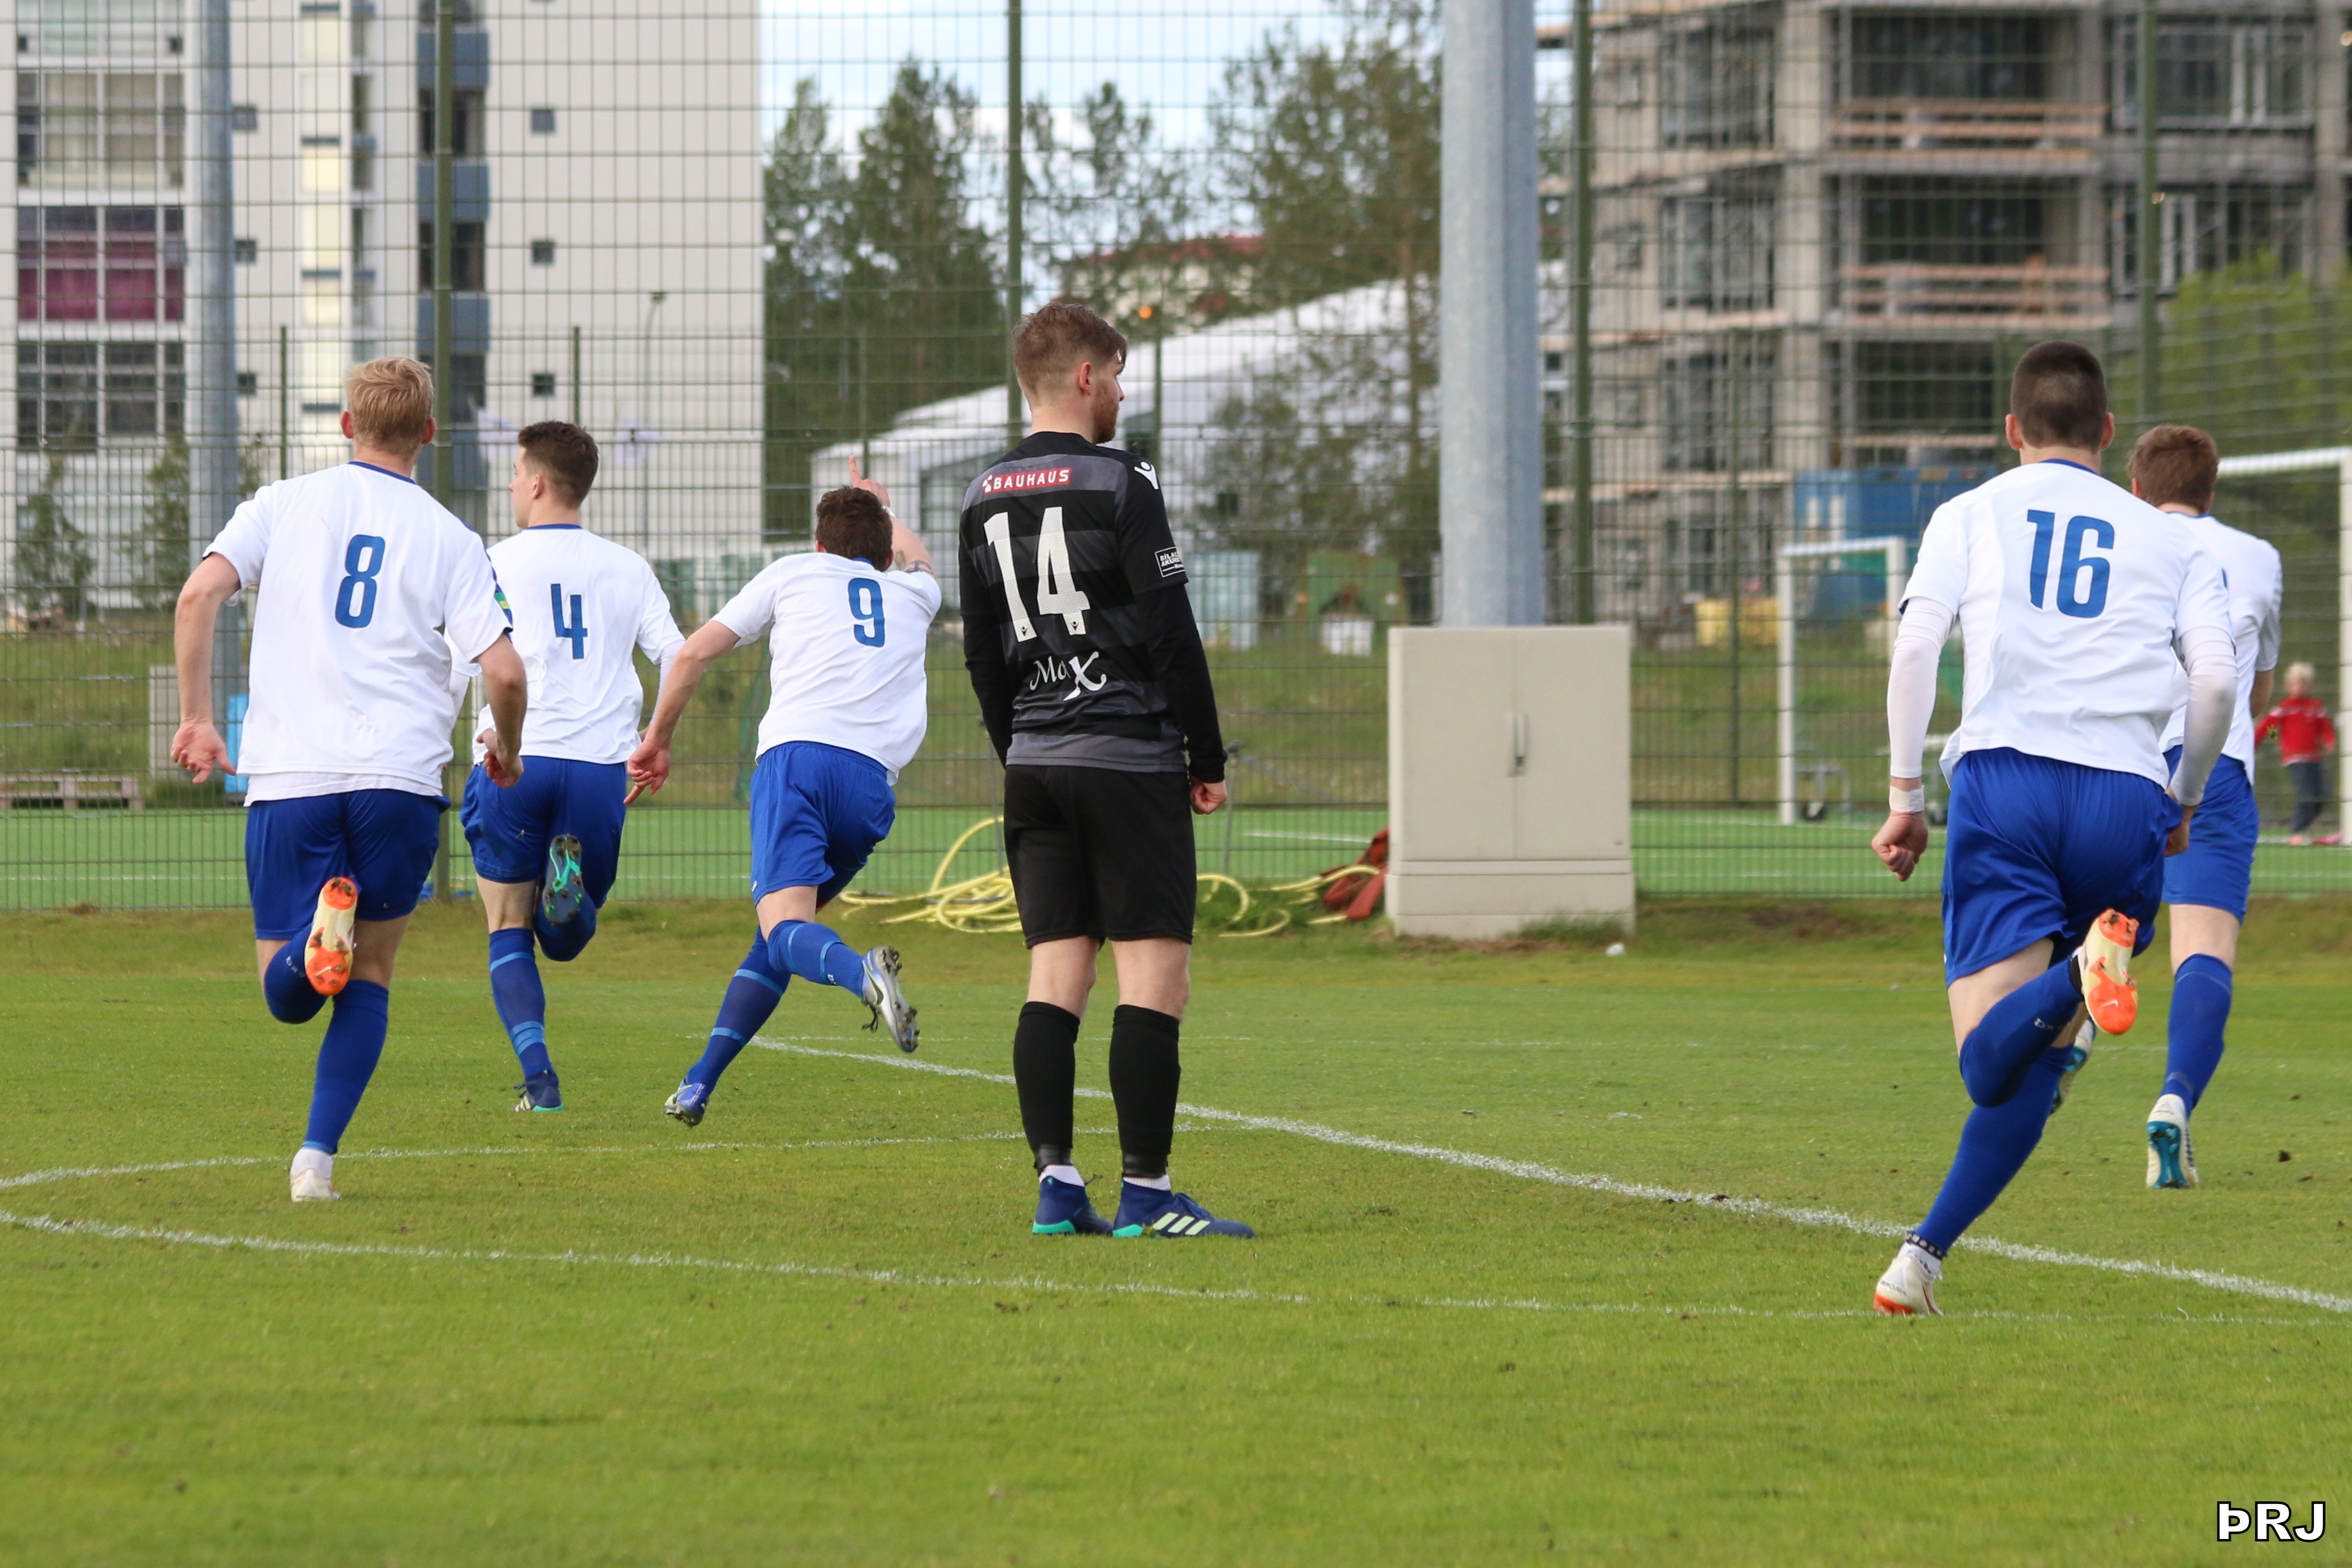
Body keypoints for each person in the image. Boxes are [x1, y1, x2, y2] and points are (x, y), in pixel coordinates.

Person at [1866, 342, 2235, 1314]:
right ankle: (1921, 1259)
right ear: (2108, 434)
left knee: (1989, 1063)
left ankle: (2079, 972)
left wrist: (1906, 795)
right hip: (2125, 797)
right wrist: (2185, 798)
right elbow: (2215, 681)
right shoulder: (2174, 541)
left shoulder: (1969, 512)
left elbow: (1915, 648)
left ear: (2011, 429)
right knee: (2040, 1054)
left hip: (2008, 785)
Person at [170, 356, 527, 1202]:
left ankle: (310, 949)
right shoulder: (453, 537)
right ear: (429, 434)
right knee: (369, 975)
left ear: (345, 425)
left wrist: (197, 717)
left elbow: (197, 596)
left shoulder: (282, 503)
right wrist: (507, 749)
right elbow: (506, 673)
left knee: (286, 995)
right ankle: (315, 1161)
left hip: (290, 772)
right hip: (398, 780)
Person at [960, 301, 1247, 1241]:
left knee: (1056, 973)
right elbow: (1170, 630)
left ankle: (1056, 1184)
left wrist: (1021, 753)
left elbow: (981, 653)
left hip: (1036, 763)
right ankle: (1149, 1194)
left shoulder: (980, 495)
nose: (1121, 392)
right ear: (1086, 376)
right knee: (1154, 977)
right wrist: (1205, 757)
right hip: (1127, 757)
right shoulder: (1123, 481)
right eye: (1117, 374)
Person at [626, 473, 933, 1124]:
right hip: (871, 787)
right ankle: (698, 1082)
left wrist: (657, 739)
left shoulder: (794, 571)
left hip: (798, 762)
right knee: (780, 937)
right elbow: (921, 559)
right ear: (885, 554)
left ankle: (862, 974)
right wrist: (884, 505)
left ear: (819, 545)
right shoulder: (916, 593)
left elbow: (691, 656)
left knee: (787, 930)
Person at [455, 422, 684, 1112]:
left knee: (507, 925)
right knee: (565, 938)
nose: (510, 486)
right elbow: (679, 656)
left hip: (514, 759)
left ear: (535, 482)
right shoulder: (627, 566)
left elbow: (454, 666)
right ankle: (566, 891)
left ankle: (541, 1081)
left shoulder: (490, 561)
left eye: (513, 474)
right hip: (597, 767)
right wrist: (657, 736)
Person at [2128, 426, 2280, 1191]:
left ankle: (2070, 1033)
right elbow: (2255, 686)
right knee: (2204, 951)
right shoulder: (2258, 557)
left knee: (2099, 920)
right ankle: (2175, 1098)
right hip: (2213, 761)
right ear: (2211, 490)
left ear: (2136, 488)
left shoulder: (2121, 541)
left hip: (2118, 754)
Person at [2256, 662, 2336, 844]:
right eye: (2295, 684)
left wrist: (2329, 741)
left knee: (2323, 794)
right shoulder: (2284, 707)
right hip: (2294, 758)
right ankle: (2297, 832)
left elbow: (2325, 728)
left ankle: (2305, 827)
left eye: (2303, 684)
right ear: (2288, 686)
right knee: (2306, 794)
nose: (2299, 688)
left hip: (2315, 758)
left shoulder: (2315, 707)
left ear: (2311, 686)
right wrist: (2275, 738)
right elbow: (2268, 726)